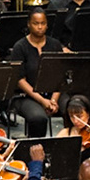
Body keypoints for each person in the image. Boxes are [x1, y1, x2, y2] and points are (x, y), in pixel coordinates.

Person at [7, 8, 67, 139]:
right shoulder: (20, 47)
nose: (40, 27)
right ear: (29, 24)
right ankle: (36, 151)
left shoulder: (55, 45)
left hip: (53, 93)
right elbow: (20, 80)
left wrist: (53, 100)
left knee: (73, 108)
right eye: (35, 23)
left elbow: (60, 74)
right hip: (26, 96)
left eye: (43, 23)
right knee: (38, 118)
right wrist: (42, 101)